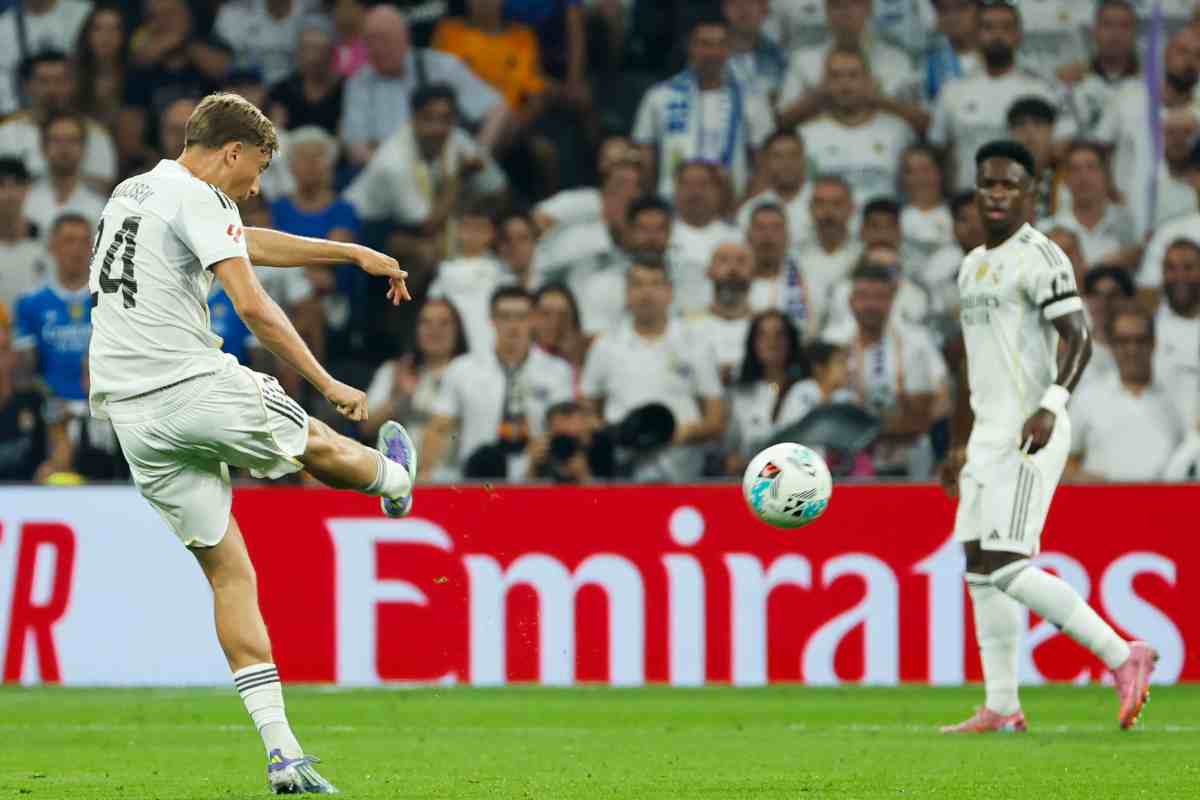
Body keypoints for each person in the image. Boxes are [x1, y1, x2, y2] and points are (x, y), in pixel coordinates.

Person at [86, 92, 419, 793]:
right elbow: (252, 304)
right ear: (231, 152)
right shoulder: (197, 193)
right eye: (258, 169)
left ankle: (282, 753)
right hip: (191, 387)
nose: (259, 186)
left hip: (133, 421)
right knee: (320, 445)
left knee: (230, 574)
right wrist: (327, 380)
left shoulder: (136, 190)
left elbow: (245, 239)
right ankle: (394, 482)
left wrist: (349, 250)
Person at [940, 139, 1156, 735]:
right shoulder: (972, 264)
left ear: (1033, 191)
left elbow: (1079, 337)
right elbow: (968, 363)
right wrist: (958, 443)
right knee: (980, 567)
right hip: (986, 437)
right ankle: (1003, 705)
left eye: (1011, 185)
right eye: (989, 185)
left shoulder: (1044, 256)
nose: (999, 195)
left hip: (1029, 429)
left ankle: (1123, 656)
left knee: (1009, 564)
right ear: (977, 192)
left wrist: (1050, 405)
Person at [581, 257, 725, 482]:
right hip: (623, 474)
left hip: (682, 473)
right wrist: (618, 435)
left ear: (669, 292)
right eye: (638, 284)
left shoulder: (695, 343)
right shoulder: (605, 345)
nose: (646, 293)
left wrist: (676, 435)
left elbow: (716, 419)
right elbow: (587, 409)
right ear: (627, 294)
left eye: (655, 284)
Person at [345, 83, 507, 275]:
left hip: (409, 221)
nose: (437, 128)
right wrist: (459, 178)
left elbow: (497, 188)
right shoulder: (393, 161)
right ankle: (405, 304)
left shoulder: (455, 138)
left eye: (445, 119)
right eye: (428, 119)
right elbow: (427, 225)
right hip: (362, 228)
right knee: (428, 253)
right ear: (413, 119)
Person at [419, 286, 573, 481]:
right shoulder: (462, 369)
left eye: (521, 317)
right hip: (476, 480)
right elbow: (438, 428)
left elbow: (566, 429)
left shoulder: (558, 371)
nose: (513, 325)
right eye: (505, 317)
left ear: (533, 319)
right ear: (492, 320)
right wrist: (424, 475)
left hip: (536, 480)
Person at [929, 0, 1074, 192]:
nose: (997, 35)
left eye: (1006, 27)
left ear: (1018, 34)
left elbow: (1061, 146)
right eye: (988, 27)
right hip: (967, 203)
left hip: (1020, 202)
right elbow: (938, 150)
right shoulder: (952, 92)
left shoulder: (1042, 90)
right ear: (976, 33)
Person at [339, 6, 509, 167]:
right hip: (384, 172)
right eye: (369, 41)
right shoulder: (358, 83)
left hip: (446, 168)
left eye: (384, 39)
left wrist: (477, 153)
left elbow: (497, 109)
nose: (376, 48)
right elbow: (355, 147)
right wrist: (395, 172)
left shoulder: (441, 67)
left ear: (405, 37)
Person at [632, 15, 773, 201]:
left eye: (720, 44)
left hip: (730, 207)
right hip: (673, 206)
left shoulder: (752, 98)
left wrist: (744, 210)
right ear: (690, 47)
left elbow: (764, 164)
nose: (713, 53)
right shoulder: (659, 96)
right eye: (705, 44)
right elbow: (644, 162)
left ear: (729, 48)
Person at [835, 261, 944, 477]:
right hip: (852, 460)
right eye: (864, 296)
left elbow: (938, 402)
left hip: (909, 455)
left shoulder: (916, 341)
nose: (871, 305)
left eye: (879, 297)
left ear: (892, 300)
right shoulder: (836, 342)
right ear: (851, 301)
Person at [1067, 303, 1188, 483]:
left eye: (1140, 340)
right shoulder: (1087, 397)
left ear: (1153, 343)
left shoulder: (1177, 398)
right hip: (1099, 506)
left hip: (1164, 506)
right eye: (1123, 342)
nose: (1132, 350)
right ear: (1112, 346)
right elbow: (1061, 459)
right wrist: (1084, 480)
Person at [776, 0, 924, 133]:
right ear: (826, 12)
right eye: (837, 5)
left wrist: (879, 99)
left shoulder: (897, 60)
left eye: (854, 3)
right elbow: (781, 122)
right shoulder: (803, 61)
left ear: (869, 8)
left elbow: (923, 123)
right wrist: (818, 96)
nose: (845, 12)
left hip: (885, 150)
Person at [799, 48, 916, 207]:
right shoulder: (806, 134)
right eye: (836, 76)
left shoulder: (898, 131)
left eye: (853, 75)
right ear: (824, 84)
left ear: (869, 81)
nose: (844, 84)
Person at [363, 297, 468, 464]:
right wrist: (397, 397)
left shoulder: (470, 375)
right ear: (415, 329)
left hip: (453, 475)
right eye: (426, 323)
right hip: (398, 474)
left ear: (458, 331)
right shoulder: (393, 371)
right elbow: (366, 428)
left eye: (444, 323)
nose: (435, 330)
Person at [0, 51, 119, 191]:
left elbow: (104, 185)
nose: (52, 89)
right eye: (43, 81)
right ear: (27, 86)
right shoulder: (5, 132)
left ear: (71, 86)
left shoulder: (96, 134)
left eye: (59, 81)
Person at [12, 214, 95, 404]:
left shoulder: (111, 300)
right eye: (69, 241)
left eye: (84, 241)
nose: (77, 249)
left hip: (104, 408)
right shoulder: (30, 302)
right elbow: (25, 372)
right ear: (52, 247)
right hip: (49, 407)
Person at [722, 310, 813, 476]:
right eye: (762, 335)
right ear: (753, 343)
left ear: (790, 341)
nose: (771, 343)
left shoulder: (808, 389)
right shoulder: (740, 393)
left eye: (779, 335)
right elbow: (731, 451)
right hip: (752, 483)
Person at [1042, 141, 1139, 270]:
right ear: (1065, 179)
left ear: (1106, 175)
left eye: (1091, 167)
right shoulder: (1048, 230)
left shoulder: (1128, 226)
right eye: (1075, 169)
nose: (1083, 177)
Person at [1059, 0, 1141, 140]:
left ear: (1134, 33)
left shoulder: (1149, 85)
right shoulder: (1072, 82)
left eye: (1124, 26)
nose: (1115, 34)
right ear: (1094, 31)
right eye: (1107, 25)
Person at [667, 160, 742, 315]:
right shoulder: (663, 235)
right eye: (688, 185)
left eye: (703, 185)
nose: (695, 193)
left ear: (718, 191)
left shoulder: (736, 238)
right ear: (676, 190)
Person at [24, 112, 108, 241]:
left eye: (72, 140)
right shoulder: (25, 202)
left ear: (84, 148)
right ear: (43, 148)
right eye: (56, 140)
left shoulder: (100, 208)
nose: (64, 148)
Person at [0, 0, 93, 115]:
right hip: (24, 116)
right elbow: (4, 86)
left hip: (83, 112)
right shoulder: (4, 27)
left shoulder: (84, 14)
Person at [687, 240, 755, 382]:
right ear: (708, 271)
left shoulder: (765, 328)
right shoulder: (686, 325)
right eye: (723, 260)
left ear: (753, 272)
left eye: (741, 261)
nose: (733, 269)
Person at [1150, 239, 1200, 432]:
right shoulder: (1147, 329)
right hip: (1159, 435)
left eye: (1188, 268)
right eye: (1171, 268)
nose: (1180, 276)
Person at [266, 18, 345, 135]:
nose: (313, 58)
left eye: (320, 50)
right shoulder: (282, 90)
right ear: (297, 53)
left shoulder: (346, 89)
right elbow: (276, 132)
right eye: (306, 49)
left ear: (332, 53)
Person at [736, 129, 812, 249]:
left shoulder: (821, 202)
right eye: (778, 156)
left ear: (804, 160)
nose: (786, 163)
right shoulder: (750, 209)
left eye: (793, 155)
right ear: (766, 161)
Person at [214, 0, 307, 87]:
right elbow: (219, 64)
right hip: (245, 87)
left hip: (297, 91)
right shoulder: (235, 12)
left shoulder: (309, 11)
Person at [0, 159, 49, 315]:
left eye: (16, 186)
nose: (9, 195)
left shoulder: (45, 239)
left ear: (27, 189)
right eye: (1, 186)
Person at [0, 323, 48, 481]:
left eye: (3, 350)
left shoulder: (34, 401)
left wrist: (54, 463)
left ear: (13, 356)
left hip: (28, 496)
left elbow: (56, 448)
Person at [74, 4, 130, 135]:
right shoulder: (71, 76)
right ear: (87, 34)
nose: (106, 36)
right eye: (98, 29)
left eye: (113, 29)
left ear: (123, 35)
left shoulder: (135, 77)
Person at [899, 143, 954, 266]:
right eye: (910, 171)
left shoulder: (958, 215)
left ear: (940, 173)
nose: (918, 178)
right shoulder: (894, 217)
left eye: (925, 170)